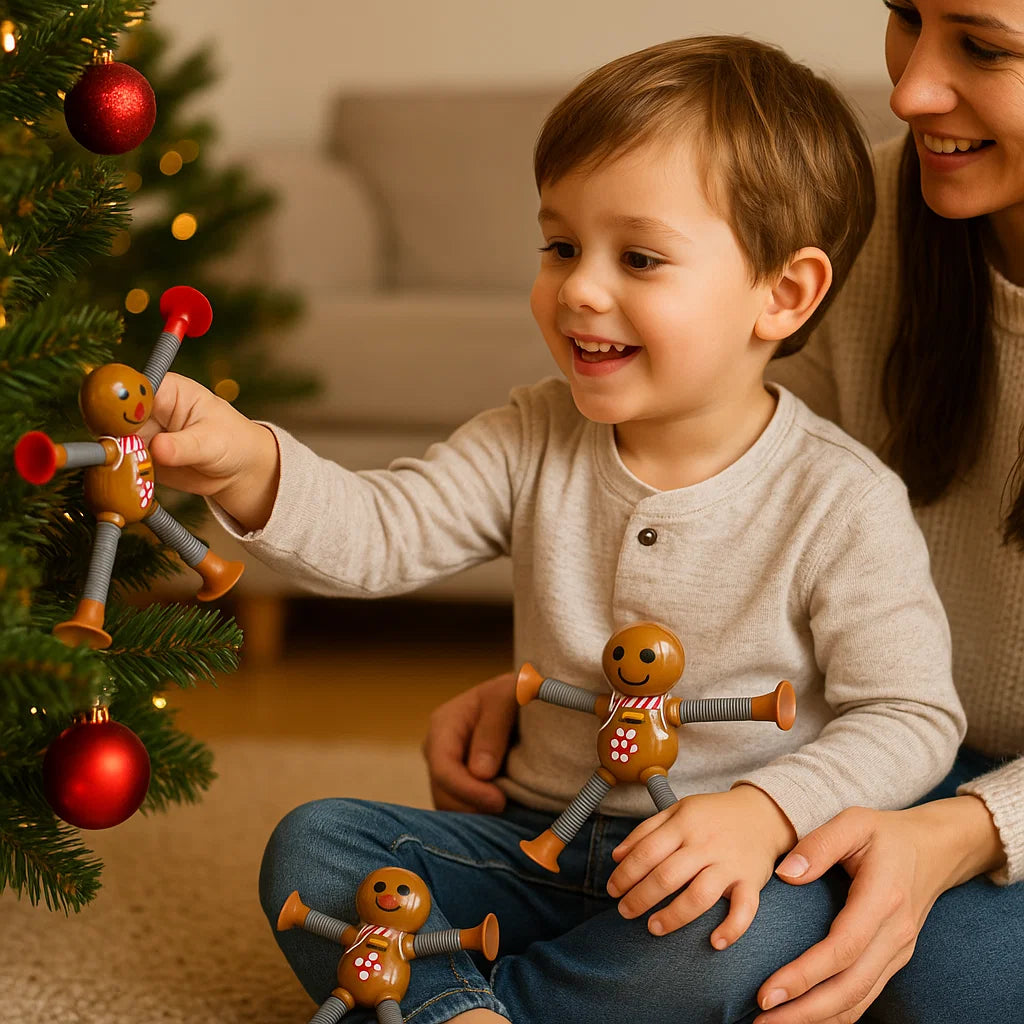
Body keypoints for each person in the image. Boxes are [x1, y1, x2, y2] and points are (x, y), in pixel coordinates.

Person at [147, 37, 967, 1024]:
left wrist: (763, 814)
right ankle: (471, 1011)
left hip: (706, 869)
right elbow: (381, 531)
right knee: (317, 846)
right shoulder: (531, 434)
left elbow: (912, 715)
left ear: (782, 293)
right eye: (560, 245)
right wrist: (250, 466)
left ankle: (476, 1006)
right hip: (529, 844)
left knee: (756, 937)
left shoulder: (840, 498)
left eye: (640, 258)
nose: (580, 288)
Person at [427, 4, 1024, 1022]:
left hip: (949, 772)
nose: (908, 90)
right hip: (860, 742)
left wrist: (970, 827)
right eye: (903, 16)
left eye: (984, 46)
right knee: (767, 927)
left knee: (941, 986)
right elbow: (747, 501)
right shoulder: (858, 214)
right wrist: (580, 685)